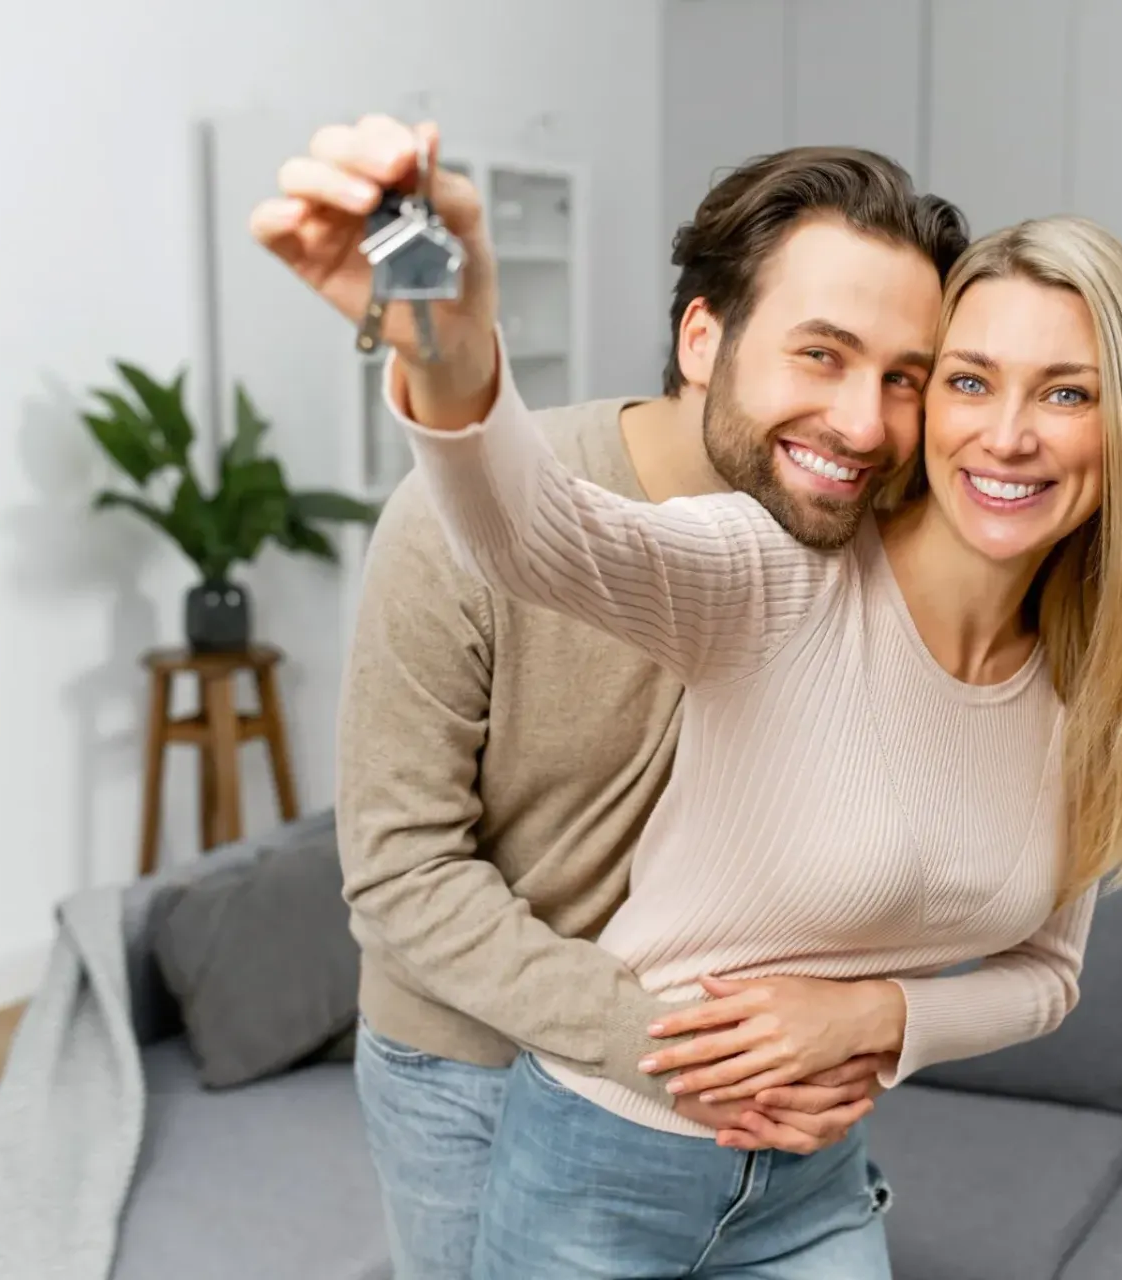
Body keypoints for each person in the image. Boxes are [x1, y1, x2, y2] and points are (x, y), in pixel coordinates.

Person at [378, 122, 1122, 1275]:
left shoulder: (1091, 692)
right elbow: (532, 529)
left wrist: (875, 1018)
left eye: (1066, 392)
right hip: (603, 1160)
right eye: (968, 380)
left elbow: (1048, 975)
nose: (1008, 433)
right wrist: (452, 352)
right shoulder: (777, 571)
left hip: (812, 1182)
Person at [251, 116, 971, 1278]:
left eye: (907, 380)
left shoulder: (865, 542)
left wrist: (860, 1015)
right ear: (702, 336)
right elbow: (400, 875)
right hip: (474, 1069)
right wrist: (682, 1047)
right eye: (821, 354)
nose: (864, 423)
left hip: (736, 1096)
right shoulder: (455, 523)